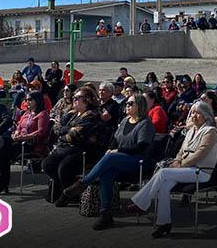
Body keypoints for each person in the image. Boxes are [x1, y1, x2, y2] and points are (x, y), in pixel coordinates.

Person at [60, 94, 156, 230]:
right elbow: (115, 139)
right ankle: (106, 214)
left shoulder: (145, 124)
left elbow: (141, 147)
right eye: (127, 103)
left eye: (130, 103)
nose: (127, 105)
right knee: (106, 174)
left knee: (111, 158)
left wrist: (117, 151)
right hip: (119, 160)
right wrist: (110, 149)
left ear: (139, 106)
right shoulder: (124, 121)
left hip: (138, 160)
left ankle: (83, 183)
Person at [126, 101, 217, 238]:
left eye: (197, 112)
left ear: (205, 115)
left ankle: (141, 203)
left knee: (163, 172)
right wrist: (176, 161)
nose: (194, 115)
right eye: (192, 112)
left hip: (201, 171)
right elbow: (181, 151)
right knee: (163, 186)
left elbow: (201, 153)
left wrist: (181, 164)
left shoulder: (210, 131)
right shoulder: (192, 130)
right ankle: (164, 223)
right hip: (186, 169)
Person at [42, 86, 104, 203]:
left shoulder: (92, 115)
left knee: (64, 167)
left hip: (85, 151)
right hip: (67, 149)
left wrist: (65, 132)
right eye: (74, 97)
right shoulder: (72, 114)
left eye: (77, 98)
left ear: (88, 100)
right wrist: (67, 130)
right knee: (47, 164)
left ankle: (69, 195)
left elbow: (74, 137)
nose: (73, 99)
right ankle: (64, 188)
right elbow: (57, 128)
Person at [0, 90, 50, 194]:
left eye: (30, 99)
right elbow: (18, 127)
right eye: (26, 100)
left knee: (3, 154)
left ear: (37, 100)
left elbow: (40, 132)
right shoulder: (26, 113)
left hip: (31, 143)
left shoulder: (43, 114)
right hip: (19, 140)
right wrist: (15, 134)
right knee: (1, 139)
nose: (27, 102)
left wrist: (23, 137)